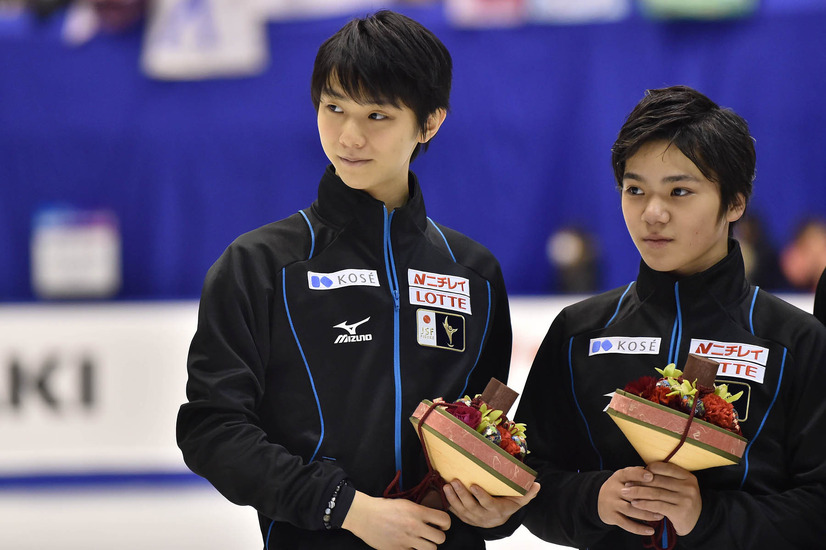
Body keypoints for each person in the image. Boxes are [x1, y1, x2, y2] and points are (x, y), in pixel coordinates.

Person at [176, 10, 537, 550]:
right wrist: (344, 509)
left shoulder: (473, 273)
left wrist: (495, 510)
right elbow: (212, 430)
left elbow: (483, 433)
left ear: (430, 122)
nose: (349, 136)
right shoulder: (259, 265)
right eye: (334, 107)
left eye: (377, 116)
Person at [515, 86, 826, 549]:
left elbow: (817, 509)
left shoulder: (795, 340)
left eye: (680, 191)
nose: (652, 213)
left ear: (736, 201)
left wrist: (706, 515)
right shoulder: (578, 332)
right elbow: (529, 482)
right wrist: (594, 498)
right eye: (635, 190)